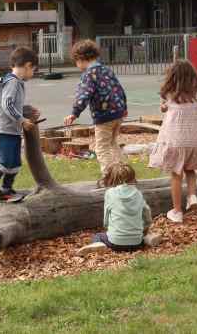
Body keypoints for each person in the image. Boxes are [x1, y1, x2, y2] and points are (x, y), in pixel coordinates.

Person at [149, 59, 197, 224]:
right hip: (196, 139)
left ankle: (177, 210)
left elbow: (163, 107)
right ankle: (192, 196)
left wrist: (165, 107)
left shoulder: (169, 92)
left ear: (172, 76)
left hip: (176, 140)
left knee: (176, 174)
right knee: (190, 169)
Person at [0, 47, 40, 203]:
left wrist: (27, 110)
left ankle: (7, 190)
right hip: (2, 131)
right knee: (6, 161)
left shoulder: (15, 82)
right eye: (33, 70)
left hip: (11, 131)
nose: (33, 74)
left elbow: (12, 104)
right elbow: (7, 105)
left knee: (14, 163)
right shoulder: (12, 82)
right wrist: (22, 120)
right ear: (27, 65)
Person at [62, 39, 128, 174]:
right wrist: (124, 107)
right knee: (113, 144)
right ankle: (123, 173)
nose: (77, 65)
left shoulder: (88, 75)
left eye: (76, 61)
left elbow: (84, 95)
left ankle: (110, 177)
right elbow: (119, 89)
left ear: (81, 59)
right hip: (118, 113)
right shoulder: (107, 70)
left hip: (104, 116)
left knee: (102, 148)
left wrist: (75, 112)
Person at [78, 163, 162, 255]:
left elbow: (106, 218)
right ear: (132, 177)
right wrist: (146, 227)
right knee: (140, 235)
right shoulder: (138, 193)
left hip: (115, 243)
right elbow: (147, 213)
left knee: (99, 236)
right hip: (136, 243)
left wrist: (107, 227)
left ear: (113, 178)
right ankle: (148, 239)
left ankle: (98, 243)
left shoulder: (110, 193)